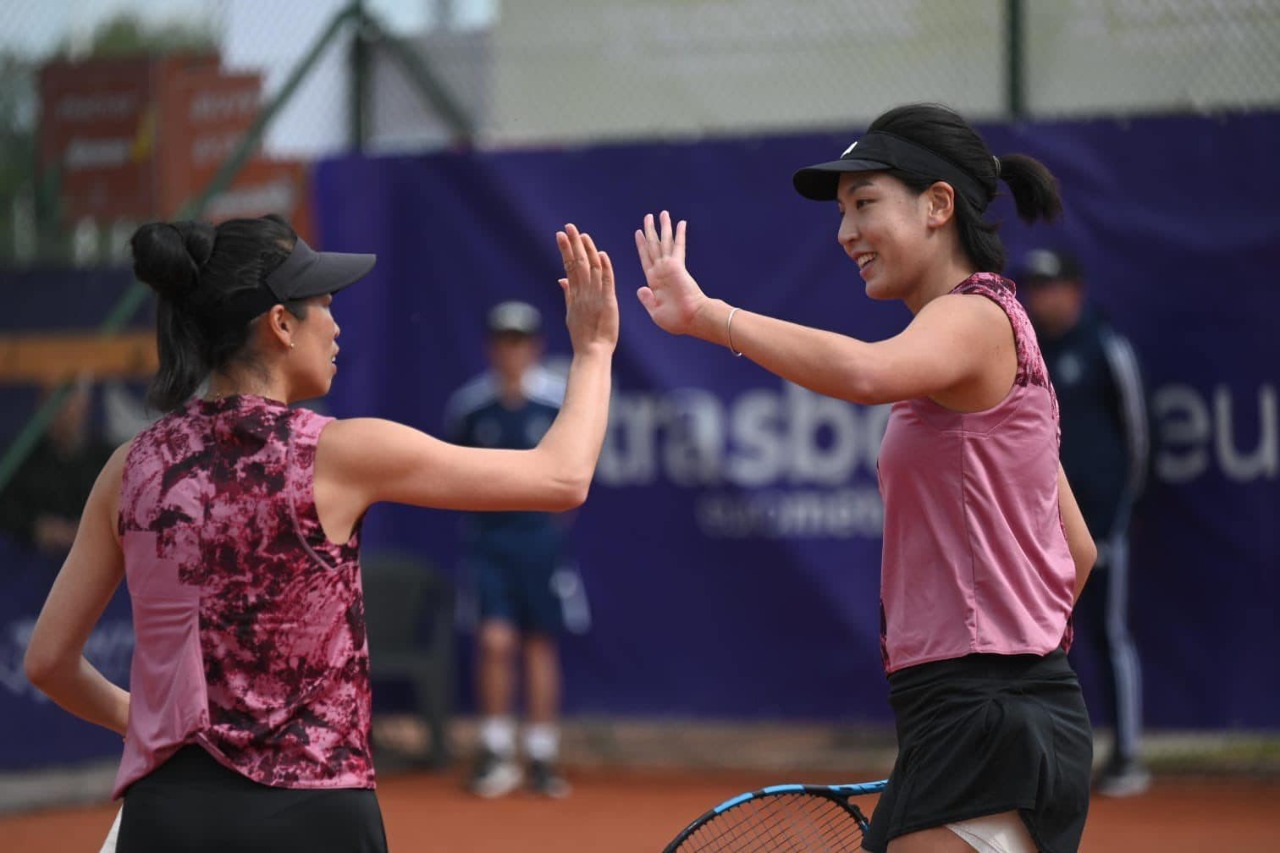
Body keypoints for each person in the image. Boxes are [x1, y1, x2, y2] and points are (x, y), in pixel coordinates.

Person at [22, 213, 618, 852]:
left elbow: (49, 661)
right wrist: (593, 350)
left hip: (168, 813)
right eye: (324, 307)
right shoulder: (340, 452)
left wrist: (143, 723)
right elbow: (562, 478)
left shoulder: (130, 466)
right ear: (280, 323)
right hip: (316, 816)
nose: (336, 326)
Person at [629, 103, 1097, 853]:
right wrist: (1000, 683)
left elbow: (861, 370)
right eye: (843, 212)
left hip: (985, 713)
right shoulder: (992, 337)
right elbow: (1075, 550)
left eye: (865, 204)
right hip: (989, 712)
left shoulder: (975, 319)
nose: (846, 233)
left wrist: (709, 315)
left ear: (938, 205)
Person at [1017, 247, 1151, 798]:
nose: (1041, 298)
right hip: (1039, 533)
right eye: (1035, 288)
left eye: (1051, 287)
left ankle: (1127, 758)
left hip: (1102, 528)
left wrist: (1118, 516)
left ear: (1076, 290)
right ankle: (1048, 764)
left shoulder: (1106, 349)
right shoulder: (1026, 355)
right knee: (1039, 645)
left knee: (1108, 634)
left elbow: (1138, 439)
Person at [444, 300, 578, 799]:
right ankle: (497, 750)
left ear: (536, 346)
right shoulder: (470, 407)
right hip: (489, 545)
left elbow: (572, 482)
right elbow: (454, 475)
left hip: (541, 545)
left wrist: (546, 531)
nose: (512, 350)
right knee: (496, 642)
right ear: (491, 347)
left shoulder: (557, 402)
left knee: (540, 643)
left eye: (520, 340)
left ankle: (541, 753)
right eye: (503, 340)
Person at [0, 375, 114, 559]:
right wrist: (35, 527)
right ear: (40, 404)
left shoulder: (108, 460)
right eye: (51, 399)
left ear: (84, 402)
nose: (60, 408)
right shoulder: (19, 460)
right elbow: (8, 510)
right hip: (31, 573)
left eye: (67, 397)